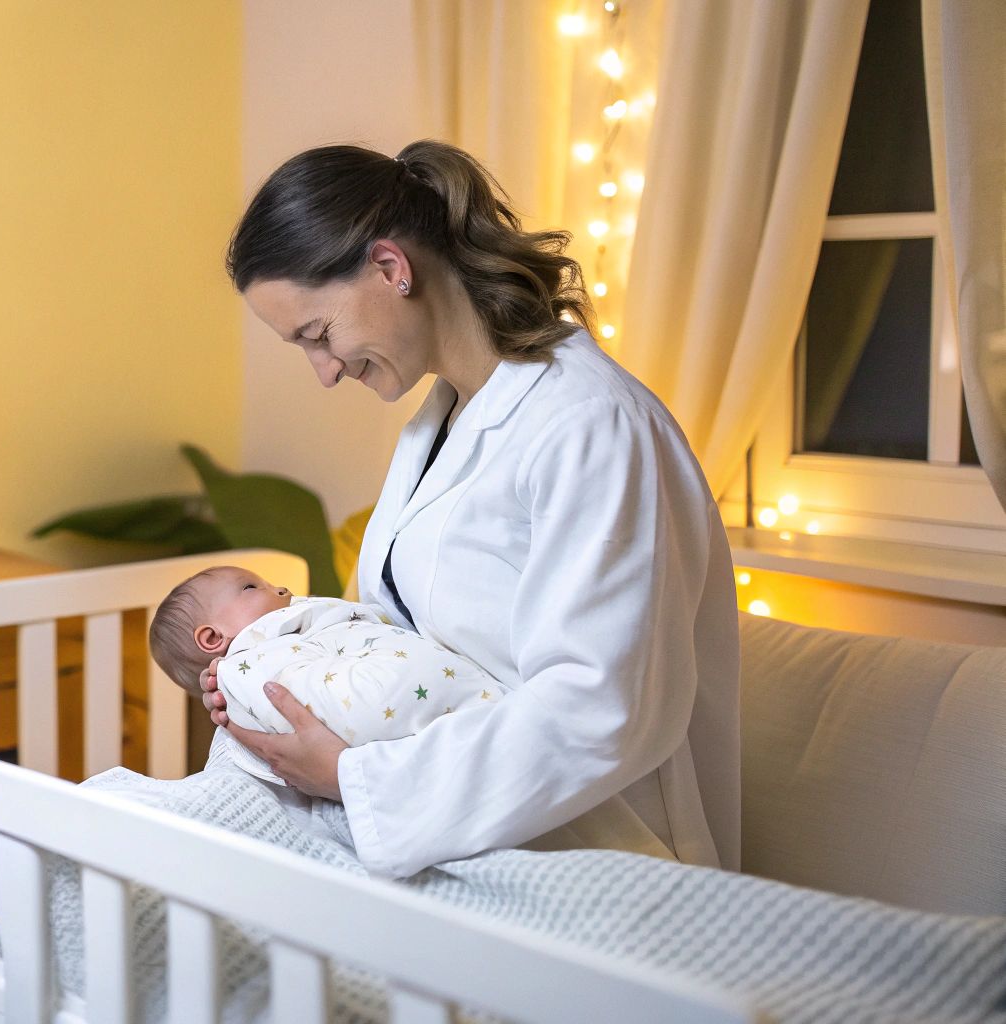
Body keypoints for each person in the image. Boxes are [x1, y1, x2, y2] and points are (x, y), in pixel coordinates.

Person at [205, 140, 740, 880]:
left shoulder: (590, 424)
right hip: (445, 824)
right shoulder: (442, 422)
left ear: (390, 268)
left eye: (318, 335)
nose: (324, 373)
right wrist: (280, 666)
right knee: (157, 846)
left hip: (592, 849)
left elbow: (600, 707)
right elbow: (408, 640)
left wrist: (354, 779)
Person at [147, 564, 505, 785]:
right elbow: (318, 705)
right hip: (426, 713)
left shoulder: (295, 633)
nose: (283, 589)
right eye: (252, 588)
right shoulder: (254, 666)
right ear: (212, 638)